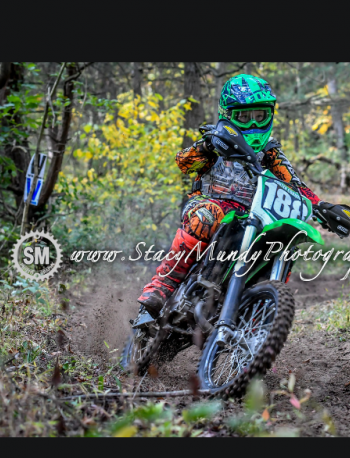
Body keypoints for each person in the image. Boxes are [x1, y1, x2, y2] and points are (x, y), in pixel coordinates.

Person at [138, 74, 329, 315]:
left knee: (282, 240)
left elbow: (295, 185)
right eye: (244, 117)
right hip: (210, 207)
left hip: (254, 216)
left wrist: (324, 208)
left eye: (260, 116)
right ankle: (162, 284)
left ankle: (260, 313)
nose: (253, 124)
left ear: (270, 115)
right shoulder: (216, 142)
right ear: (227, 115)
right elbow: (184, 163)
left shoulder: (270, 153)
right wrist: (207, 146)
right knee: (207, 216)